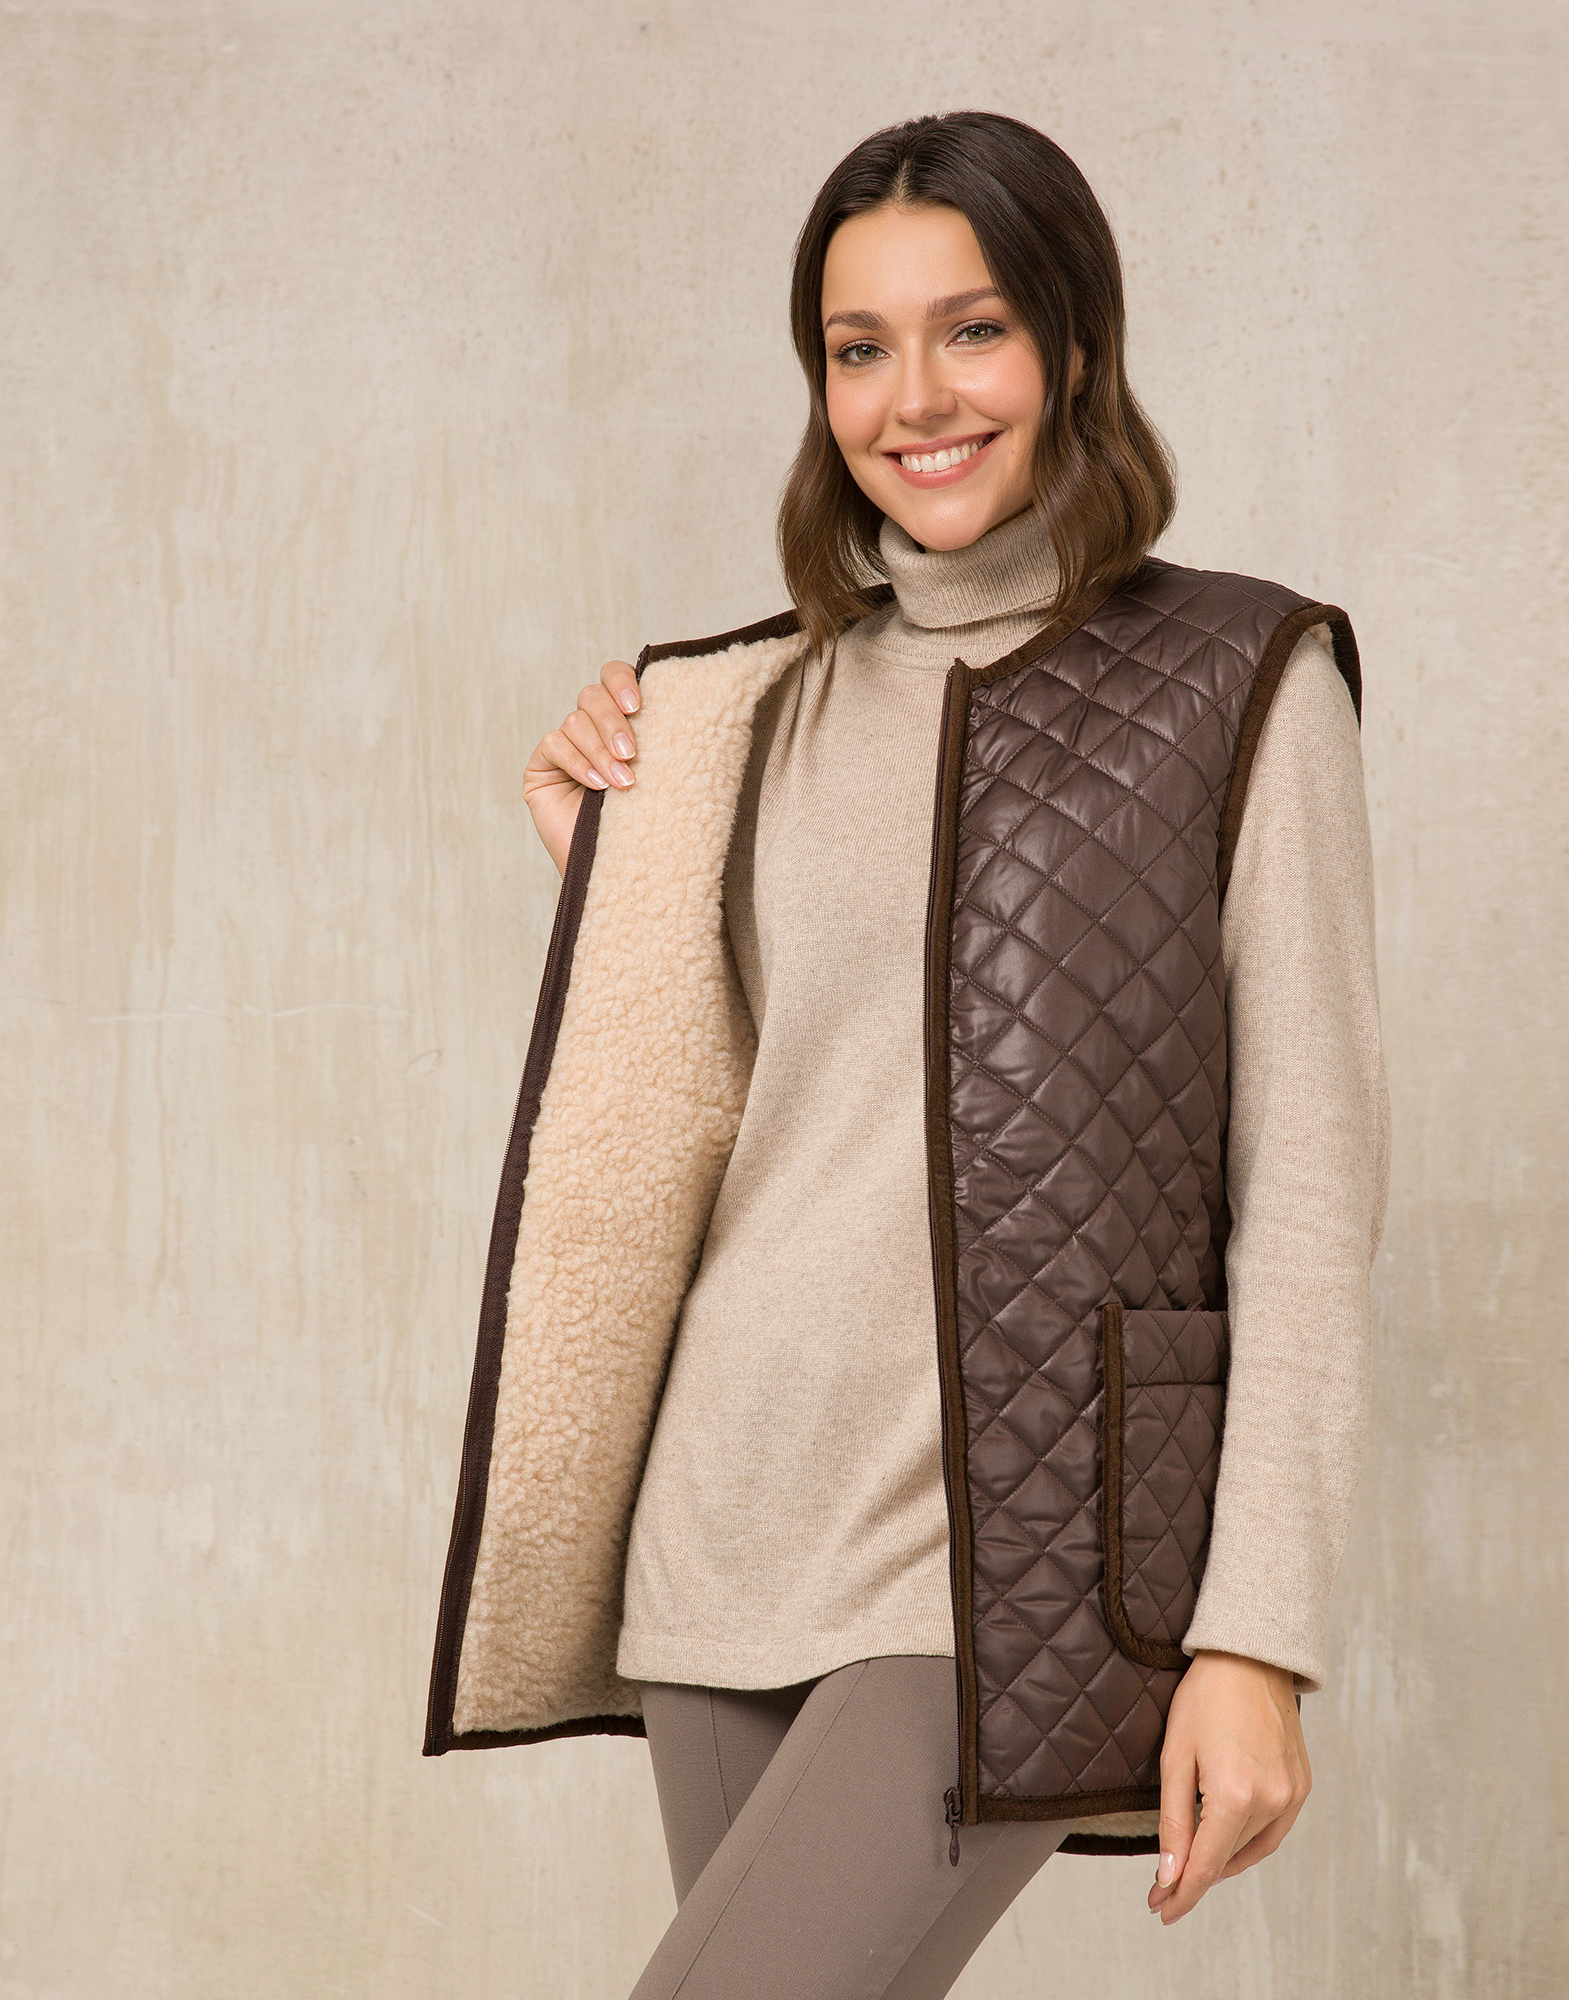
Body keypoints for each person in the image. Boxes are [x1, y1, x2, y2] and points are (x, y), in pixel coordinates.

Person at [425, 110, 1389, 1999]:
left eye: (974, 330)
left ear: (1075, 349)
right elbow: (773, 1099)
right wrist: (605, 876)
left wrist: (1256, 1638)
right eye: (859, 347)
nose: (914, 398)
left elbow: (1310, 1190)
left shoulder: (1241, 682)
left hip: (1011, 1547)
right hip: (725, 1520)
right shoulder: (748, 703)